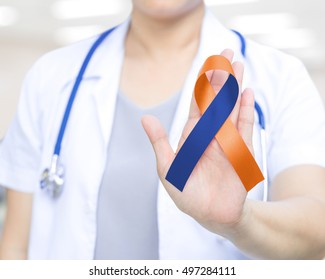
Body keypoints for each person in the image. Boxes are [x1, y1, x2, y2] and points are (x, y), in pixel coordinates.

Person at [0, 0, 325, 260]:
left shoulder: (280, 78)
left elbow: (316, 230)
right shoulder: (52, 77)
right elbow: (15, 248)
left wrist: (242, 221)